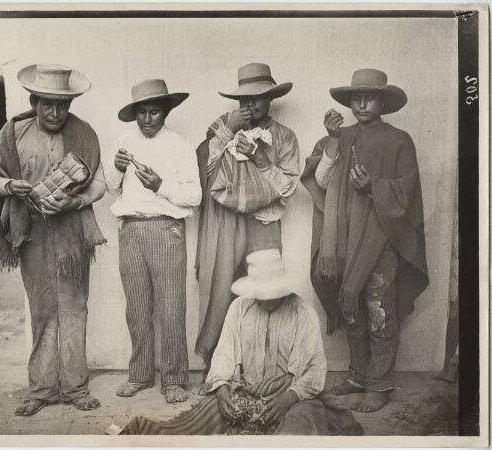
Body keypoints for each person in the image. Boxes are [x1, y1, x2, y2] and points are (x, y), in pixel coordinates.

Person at [122, 249, 363, 436]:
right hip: (245, 391)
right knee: (205, 418)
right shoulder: (240, 308)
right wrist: (223, 389)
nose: (267, 299)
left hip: (291, 395)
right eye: (261, 293)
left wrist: (288, 398)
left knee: (303, 422)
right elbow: (224, 355)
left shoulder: (303, 312)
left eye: (272, 293)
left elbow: (314, 371)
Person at [301, 69, 429, 413]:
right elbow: (321, 181)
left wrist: (373, 187)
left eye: (368, 97)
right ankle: (358, 376)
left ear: (383, 101)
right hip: (342, 239)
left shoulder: (399, 140)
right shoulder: (337, 135)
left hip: (379, 240)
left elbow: (409, 190)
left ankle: (379, 383)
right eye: (355, 98)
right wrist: (330, 140)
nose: (361, 104)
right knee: (351, 309)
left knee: (378, 311)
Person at [0, 64, 107, 416]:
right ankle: (40, 389)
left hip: (72, 229)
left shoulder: (85, 134)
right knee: (42, 309)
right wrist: (10, 186)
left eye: (63, 105)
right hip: (33, 229)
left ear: (70, 104)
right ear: (34, 101)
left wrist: (78, 200)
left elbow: (99, 182)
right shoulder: (13, 134)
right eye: (47, 105)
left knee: (74, 307)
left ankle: (76, 388)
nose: (55, 113)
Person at [195, 63, 300, 373]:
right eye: (245, 99)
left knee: (266, 291)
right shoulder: (222, 127)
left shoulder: (284, 136)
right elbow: (202, 170)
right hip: (226, 219)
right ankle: (218, 368)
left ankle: (264, 369)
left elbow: (288, 187)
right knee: (222, 290)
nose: (251, 105)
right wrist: (226, 129)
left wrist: (260, 158)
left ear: (271, 99)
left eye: (259, 97)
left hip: (264, 221)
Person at [106, 79, 202, 404]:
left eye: (155, 112)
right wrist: (117, 171)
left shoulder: (180, 145)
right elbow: (109, 187)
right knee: (137, 307)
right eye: (142, 113)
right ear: (135, 114)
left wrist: (161, 186)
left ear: (166, 112)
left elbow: (194, 197)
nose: (148, 119)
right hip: (130, 229)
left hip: (166, 230)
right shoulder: (123, 140)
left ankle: (174, 379)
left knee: (171, 307)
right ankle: (141, 374)